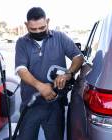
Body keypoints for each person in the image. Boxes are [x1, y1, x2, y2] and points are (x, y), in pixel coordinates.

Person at [15, 7, 84, 140]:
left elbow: (78, 57)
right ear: (26, 25)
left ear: (48, 21)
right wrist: (41, 87)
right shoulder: (22, 43)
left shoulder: (60, 37)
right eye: (33, 29)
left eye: (42, 28)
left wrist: (68, 74)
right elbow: (21, 70)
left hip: (55, 104)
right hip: (31, 104)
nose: (38, 31)